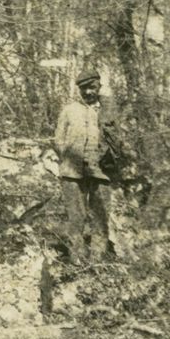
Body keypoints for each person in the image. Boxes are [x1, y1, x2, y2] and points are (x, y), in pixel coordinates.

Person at [54, 69, 120, 262]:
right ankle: (77, 257)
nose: (89, 92)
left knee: (100, 216)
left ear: (99, 86)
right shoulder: (69, 110)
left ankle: (97, 258)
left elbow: (118, 141)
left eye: (92, 87)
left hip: (101, 171)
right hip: (72, 172)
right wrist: (67, 158)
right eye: (84, 89)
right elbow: (58, 140)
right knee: (76, 217)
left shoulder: (108, 110)